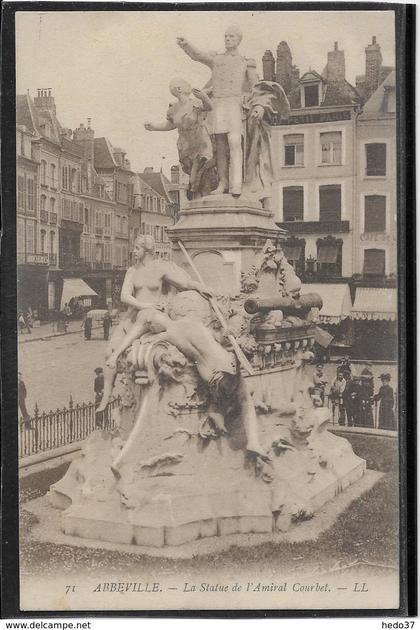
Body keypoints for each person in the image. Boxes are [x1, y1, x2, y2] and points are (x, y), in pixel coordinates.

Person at [96, 234, 213, 413]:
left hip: (152, 314)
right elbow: (124, 296)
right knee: (107, 352)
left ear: (147, 251)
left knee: (143, 325)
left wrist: (199, 286)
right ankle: (107, 396)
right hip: (133, 315)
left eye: (137, 248)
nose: (134, 251)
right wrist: (144, 304)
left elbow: (184, 283)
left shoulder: (160, 268)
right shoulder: (132, 271)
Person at [177, 26, 258, 196]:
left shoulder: (246, 61)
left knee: (235, 142)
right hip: (219, 104)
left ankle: (237, 183)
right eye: (226, 36)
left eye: (232, 36)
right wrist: (186, 45)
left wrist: (252, 102)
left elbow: (255, 86)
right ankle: (223, 183)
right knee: (220, 146)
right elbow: (198, 55)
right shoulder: (216, 59)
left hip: (235, 103)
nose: (228, 39)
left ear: (238, 39)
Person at [145, 79, 217, 199]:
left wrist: (204, 97)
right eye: (187, 84)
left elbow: (209, 107)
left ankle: (195, 189)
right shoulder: (173, 108)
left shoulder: (195, 102)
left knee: (202, 168)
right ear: (179, 89)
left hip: (200, 140)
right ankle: (197, 194)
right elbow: (170, 124)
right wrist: (155, 127)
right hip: (185, 144)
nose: (190, 85)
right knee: (194, 171)